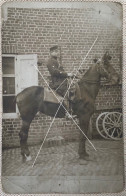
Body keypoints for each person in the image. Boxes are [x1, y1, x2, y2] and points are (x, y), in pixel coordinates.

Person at [46, 45, 74, 118]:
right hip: (57, 83)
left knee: (73, 87)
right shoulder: (50, 61)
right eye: (55, 51)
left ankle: (72, 109)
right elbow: (54, 72)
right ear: (51, 53)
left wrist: (69, 75)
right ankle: (66, 112)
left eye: (57, 51)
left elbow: (61, 71)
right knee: (67, 91)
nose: (57, 53)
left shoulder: (56, 61)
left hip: (61, 81)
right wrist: (66, 74)